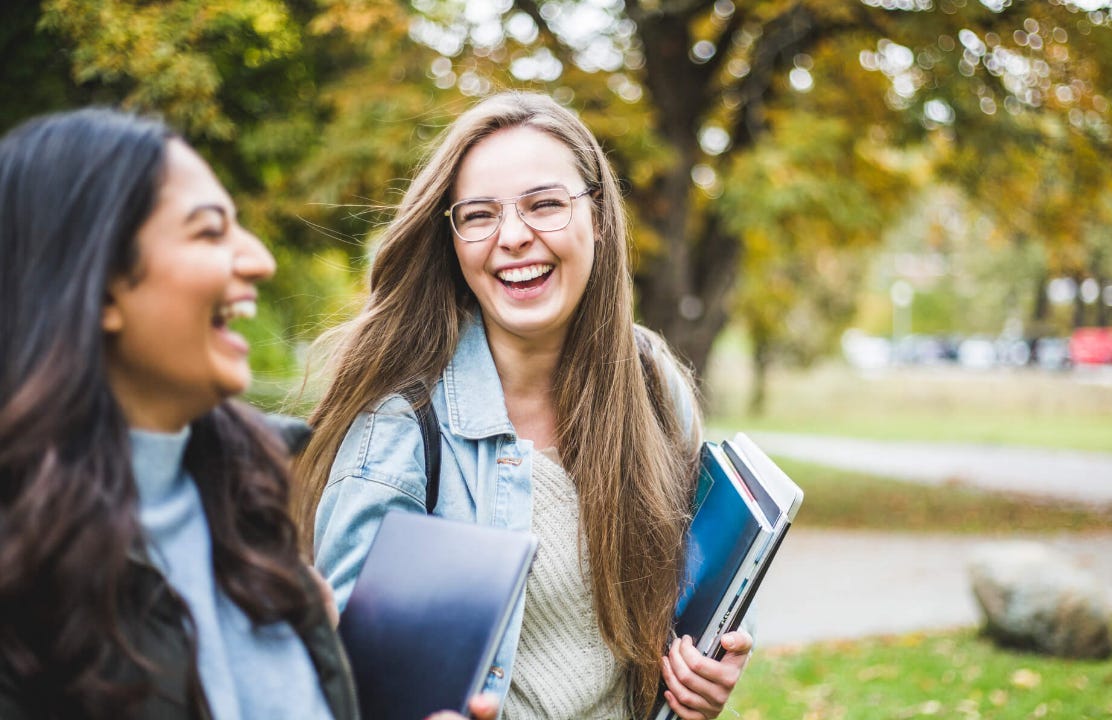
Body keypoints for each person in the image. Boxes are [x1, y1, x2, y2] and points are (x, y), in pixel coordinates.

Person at [0, 108, 492, 720]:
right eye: (209, 232)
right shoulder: (21, 577)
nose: (258, 259)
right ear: (96, 284)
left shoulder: (251, 523)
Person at [294, 91, 752, 720]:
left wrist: (696, 676)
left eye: (545, 205)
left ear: (598, 218)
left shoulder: (653, 386)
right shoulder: (399, 430)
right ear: (452, 240)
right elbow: (337, 694)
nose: (513, 237)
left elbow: (671, 617)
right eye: (479, 215)